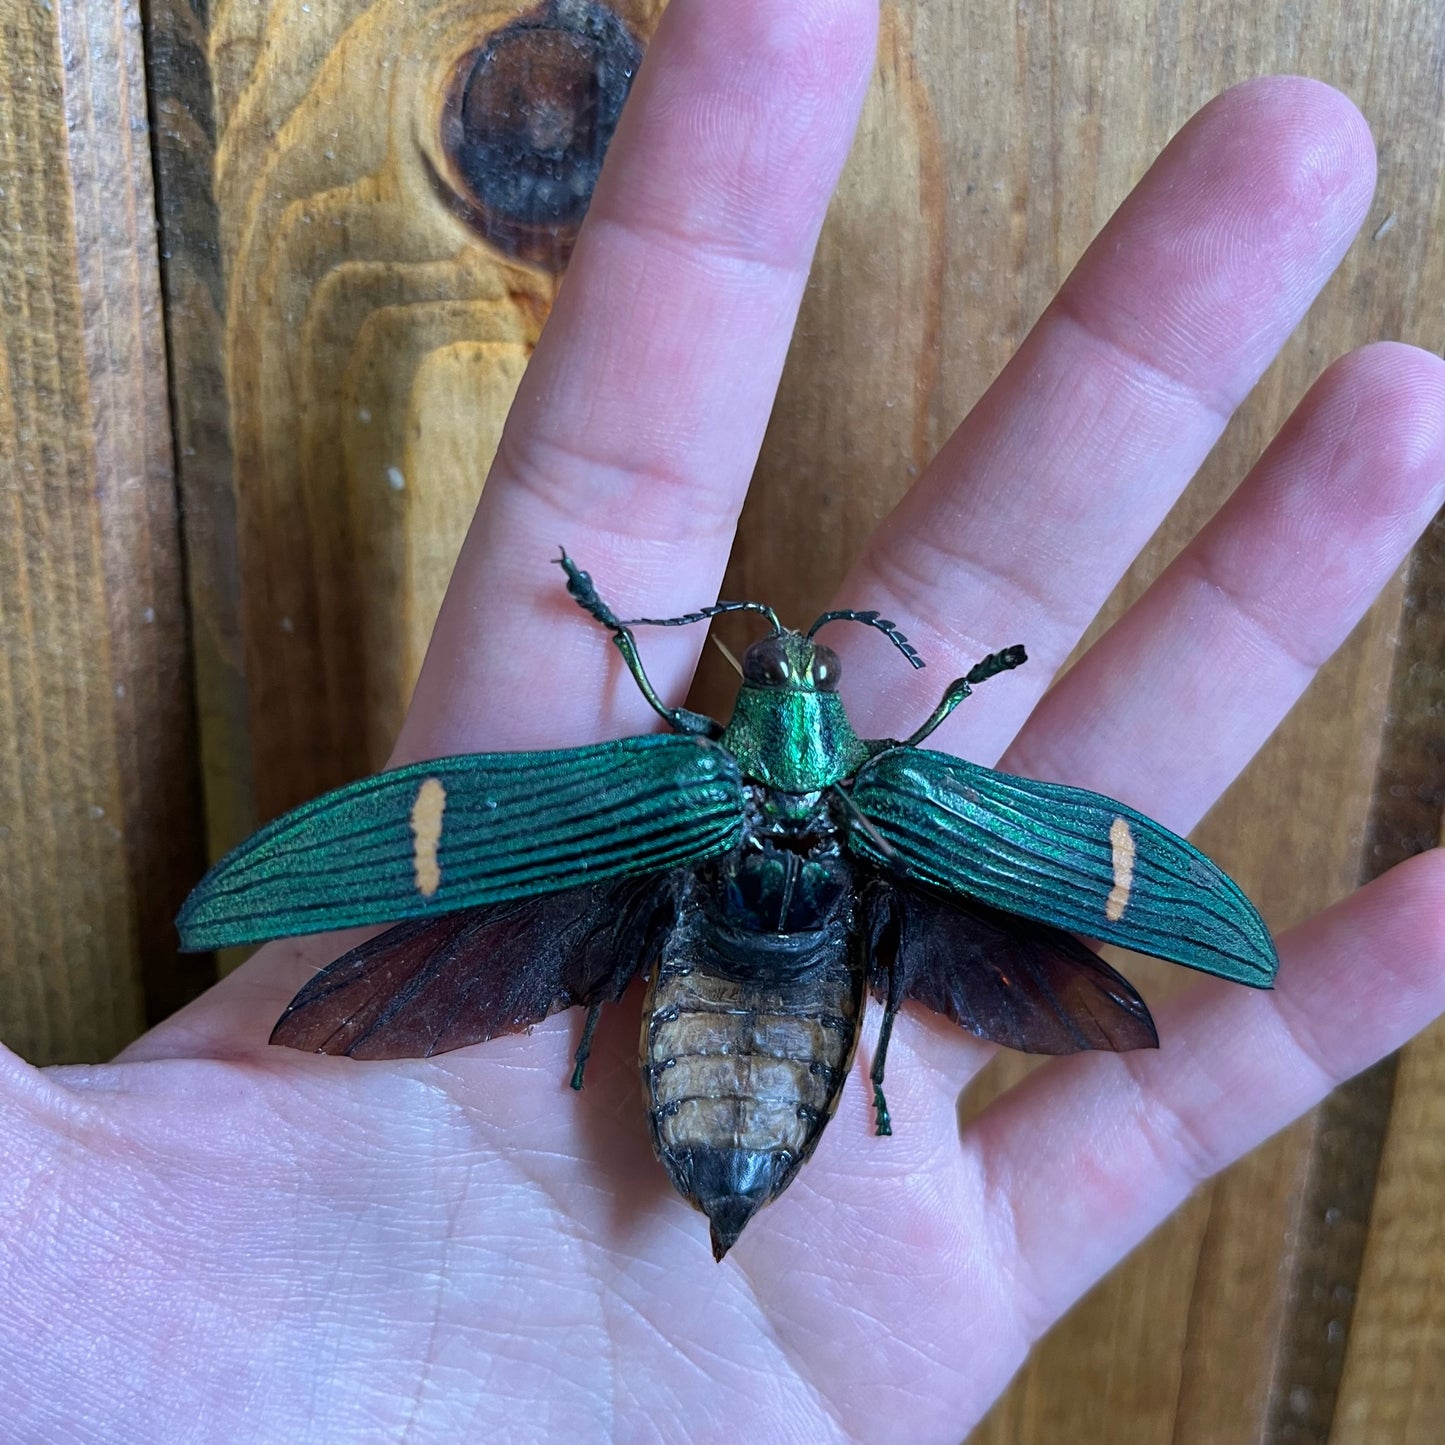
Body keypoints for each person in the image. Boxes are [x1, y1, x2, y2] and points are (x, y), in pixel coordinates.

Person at [4, 1, 1442, 1438]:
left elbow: (643, 696)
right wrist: (952, 695)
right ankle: (802, 1060)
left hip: (727, 1027)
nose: (789, 680)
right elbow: (870, 717)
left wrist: (623, 629)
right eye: (785, 672)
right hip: (789, 1019)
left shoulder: (697, 771)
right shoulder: (873, 788)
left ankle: (685, 1044)